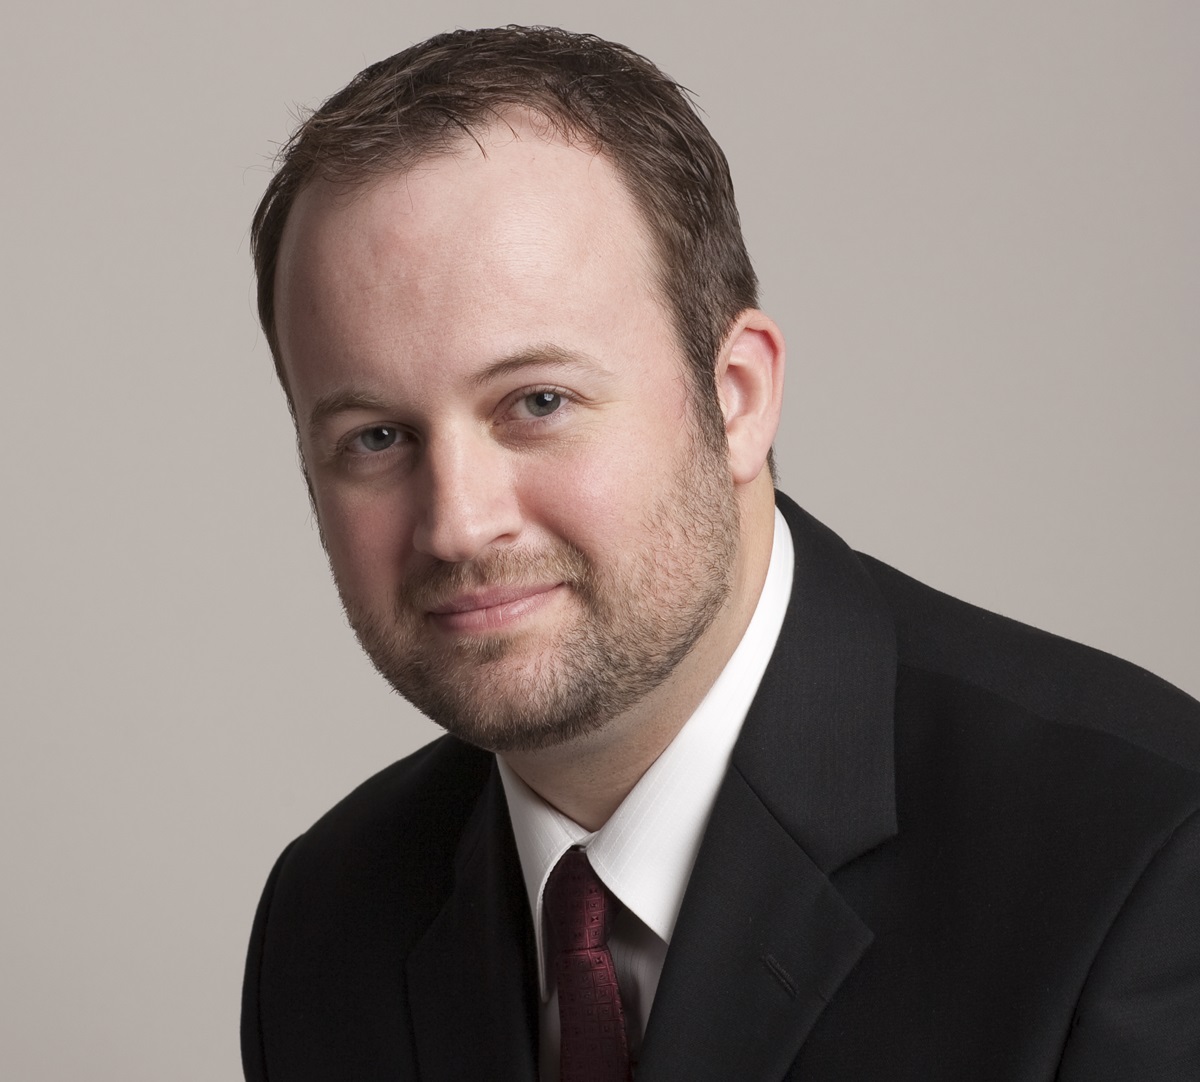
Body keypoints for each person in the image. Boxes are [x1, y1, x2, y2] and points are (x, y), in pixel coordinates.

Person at [240, 25, 1200, 1082]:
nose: (458, 523)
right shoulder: (328, 923)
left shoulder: (1145, 862)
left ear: (736, 398)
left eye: (539, 402)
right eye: (376, 436)